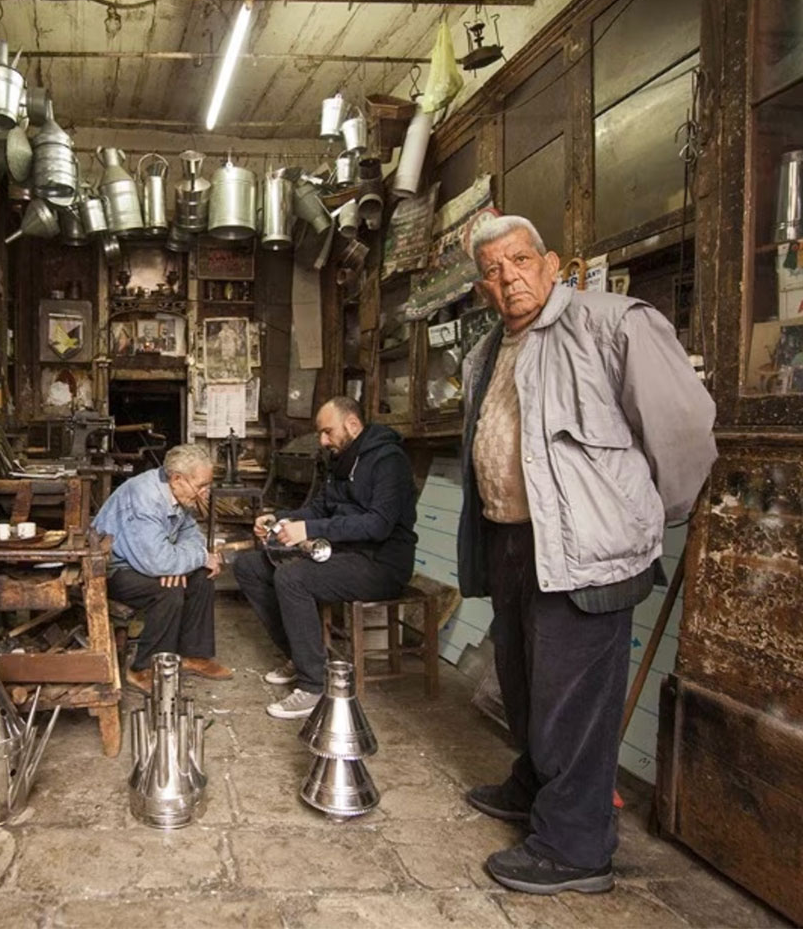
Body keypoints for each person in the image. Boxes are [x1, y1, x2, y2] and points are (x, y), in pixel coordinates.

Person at [457, 214, 716, 895]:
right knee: (521, 682)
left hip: (588, 550)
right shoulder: (487, 351)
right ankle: (536, 786)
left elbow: (686, 433)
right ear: (481, 287)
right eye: (491, 269)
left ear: (551, 264)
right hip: (513, 539)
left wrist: (633, 517)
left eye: (518, 260)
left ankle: (575, 848)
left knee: (572, 700)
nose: (507, 277)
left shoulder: (613, 323)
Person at [233, 396, 418, 719]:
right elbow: (319, 509)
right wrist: (280, 519)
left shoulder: (389, 461)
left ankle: (314, 685)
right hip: (344, 553)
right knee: (249, 565)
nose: (322, 440)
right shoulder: (339, 459)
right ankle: (301, 653)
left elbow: (378, 524)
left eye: (327, 432)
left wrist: (311, 529)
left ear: (352, 424)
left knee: (292, 578)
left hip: (382, 564)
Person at [92, 443, 232, 694]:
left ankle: (193, 655)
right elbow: (157, 562)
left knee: (202, 575)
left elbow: (190, 534)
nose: (205, 493)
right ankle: (143, 668)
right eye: (201, 485)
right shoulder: (145, 497)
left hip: (148, 559)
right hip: (113, 568)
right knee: (168, 592)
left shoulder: (177, 492)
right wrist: (192, 558)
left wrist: (181, 562)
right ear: (177, 478)